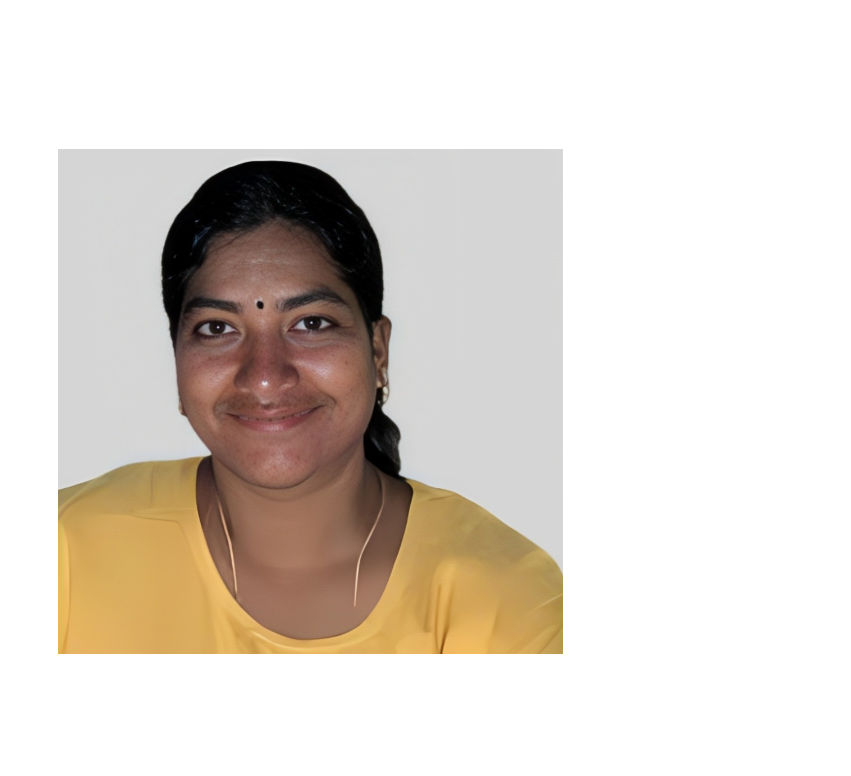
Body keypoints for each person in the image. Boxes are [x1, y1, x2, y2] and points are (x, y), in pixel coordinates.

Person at [58, 161, 563, 654]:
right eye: (217, 328)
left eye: (311, 324)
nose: (264, 374)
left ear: (378, 352)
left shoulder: (504, 599)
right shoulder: (72, 549)